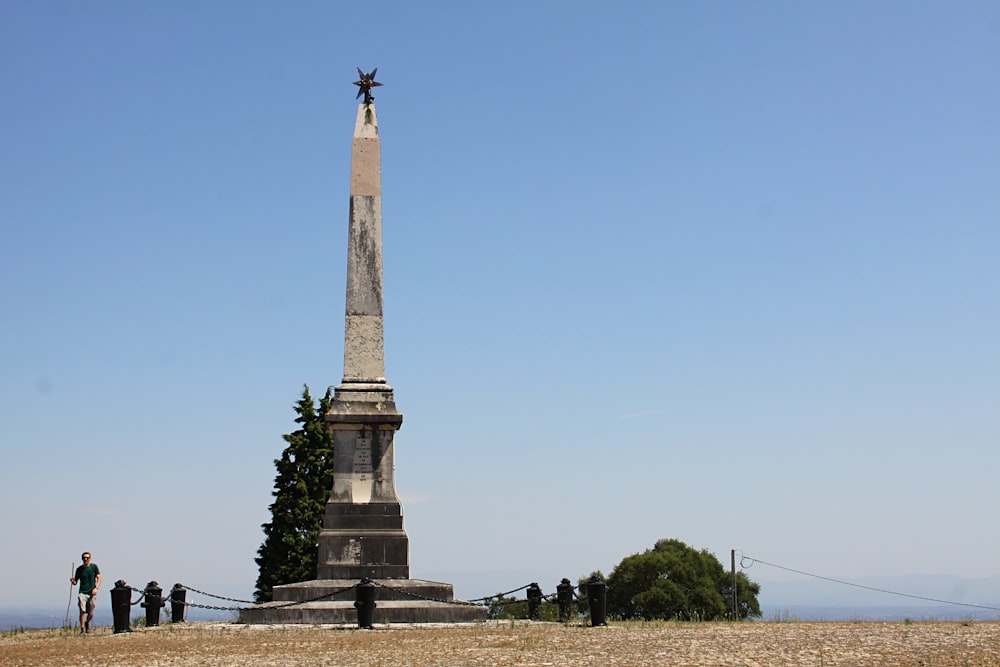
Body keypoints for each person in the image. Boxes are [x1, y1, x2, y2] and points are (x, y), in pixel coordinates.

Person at [70, 552, 101, 633]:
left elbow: (99, 578)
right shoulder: (79, 569)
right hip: (82, 592)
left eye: (87, 557)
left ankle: (87, 622)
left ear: (90, 558)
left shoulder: (94, 567)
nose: (85, 559)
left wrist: (96, 588)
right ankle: (82, 628)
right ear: (82, 558)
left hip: (92, 592)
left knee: (91, 613)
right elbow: (75, 582)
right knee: (82, 611)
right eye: (84, 557)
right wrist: (73, 581)